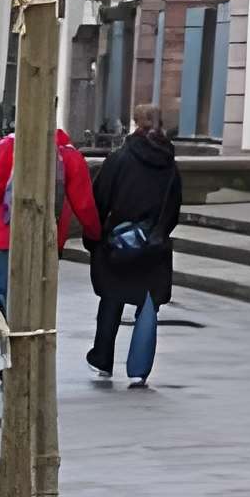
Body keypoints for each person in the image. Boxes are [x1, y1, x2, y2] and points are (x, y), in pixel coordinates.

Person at [86, 104, 183, 386]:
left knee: (112, 300)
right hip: (154, 244)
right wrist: (158, 233)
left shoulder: (119, 159)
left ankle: (102, 359)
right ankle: (140, 366)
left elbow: (99, 199)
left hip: (119, 243)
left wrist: (95, 239)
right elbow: (174, 207)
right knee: (148, 305)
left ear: (134, 123)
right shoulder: (169, 163)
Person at [0, 123, 98, 313]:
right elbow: (84, 204)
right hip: (48, 237)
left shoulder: (5, 146)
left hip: (6, 235)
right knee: (39, 303)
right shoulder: (69, 155)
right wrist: (95, 233)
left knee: (5, 302)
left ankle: (8, 338)